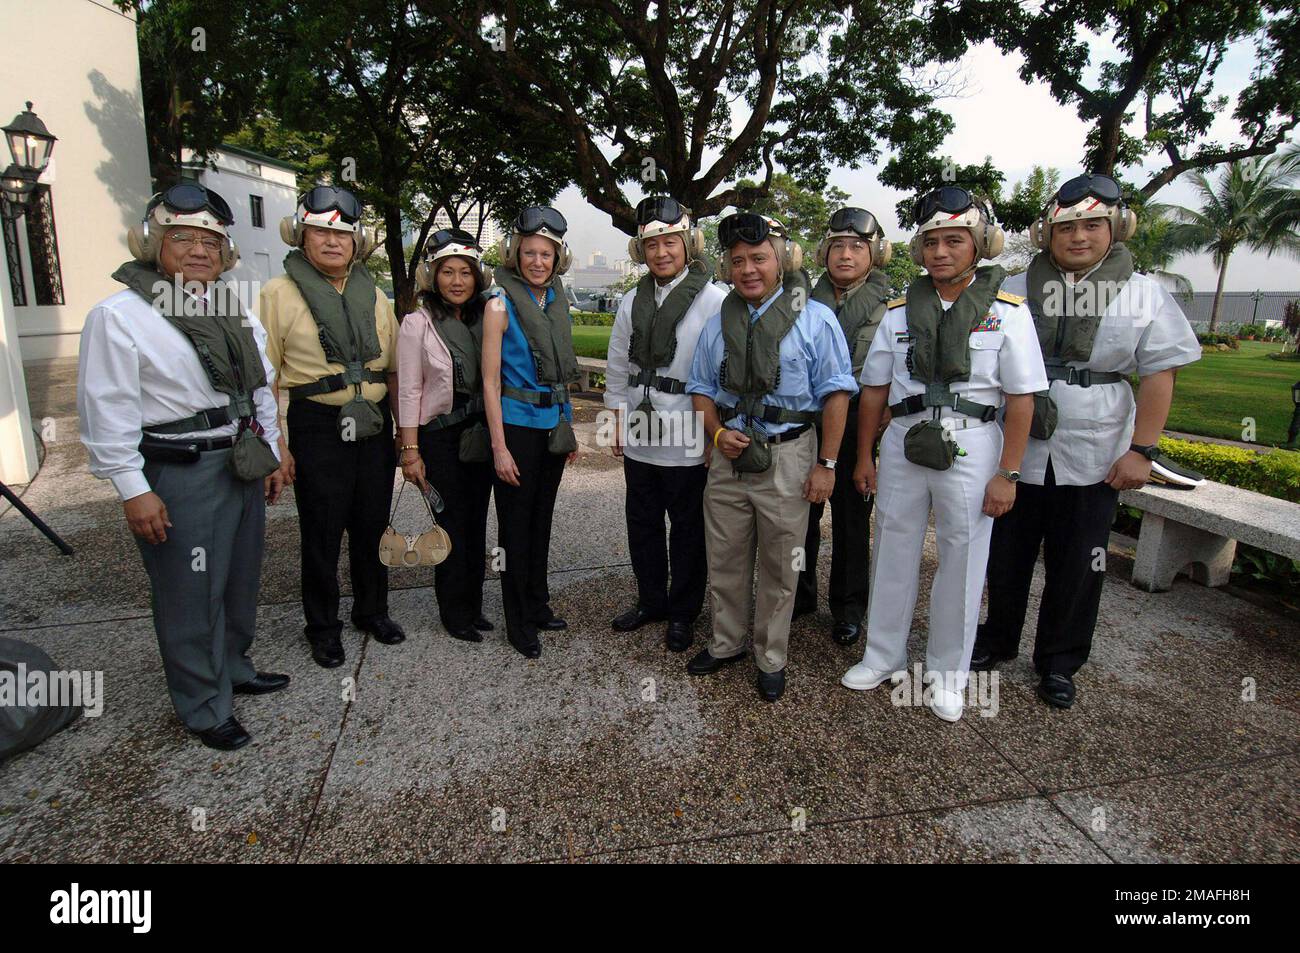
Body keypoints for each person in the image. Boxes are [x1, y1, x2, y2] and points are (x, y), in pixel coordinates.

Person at [972, 173, 1201, 708]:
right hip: (1017, 445)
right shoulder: (1012, 287)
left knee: (1080, 563)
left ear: (1116, 227)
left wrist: (1142, 450)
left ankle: (1059, 661)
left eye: (1093, 224)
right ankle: (998, 637)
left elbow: (1160, 372)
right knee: (1004, 555)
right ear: (1047, 232)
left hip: (1095, 450)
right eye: (1067, 226)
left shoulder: (1143, 291)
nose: (1079, 236)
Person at [78, 184, 287, 750]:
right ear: (153, 243)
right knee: (189, 591)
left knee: (240, 580)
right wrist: (132, 488)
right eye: (183, 238)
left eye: (210, 241)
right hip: (181, 466)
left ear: (225, 253)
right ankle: (202, 704)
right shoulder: (119, 315)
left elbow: (259, 388)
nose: (199, 250)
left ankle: (234, 668)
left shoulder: (230, 308)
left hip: (240, 458)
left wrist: (270, 449)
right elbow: (107, 409)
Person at [842, 187, 1047, 722]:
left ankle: (947, 675)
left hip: (973, 443)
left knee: (962, 559)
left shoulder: (1009, 315)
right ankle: (882, 655)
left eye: (953, 240)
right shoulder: (898, 311)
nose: (940, 252)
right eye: (931, 241)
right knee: (891, 547)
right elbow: (874, 391)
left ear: (981, 244)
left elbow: (1022, 400)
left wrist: (1008, 474)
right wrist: (864, 456)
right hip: (905, 439)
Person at [686, 213, 857, 702]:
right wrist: (717, 436)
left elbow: (838, 395)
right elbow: (700, 388)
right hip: (728, 456)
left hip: (789, 455)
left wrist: (827, 465)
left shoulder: (815, 318)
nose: (748, 269)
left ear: (781, 260)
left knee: (783, 564)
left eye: (758, 258)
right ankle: (726, 644)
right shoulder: (719, 322)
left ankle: (771, 656)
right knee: (725, 557)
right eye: (737, 261)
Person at [259, 186, 404, 669]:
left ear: (356, 242)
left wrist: (405, 434)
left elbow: (394, 369)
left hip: (375, 423)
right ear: (300, 235)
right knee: (321, 530)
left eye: (342, 233)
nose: (331, 241)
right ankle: (322, 626)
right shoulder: (277, 293)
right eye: (320, 230)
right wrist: (276, 442)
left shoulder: (376, 296)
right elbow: (265, 377)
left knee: (372, 524)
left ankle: (372, 610)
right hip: (318, 423)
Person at [604, 196, 726, 652]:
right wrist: (615, 422)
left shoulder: (715, 300)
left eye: (670, 241)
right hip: (640, 431)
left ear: (688, 243)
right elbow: (618, 368)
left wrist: (715, 434)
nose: (661, 252)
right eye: (652, 243)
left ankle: (683, 612)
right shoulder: (631, 300)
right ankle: (651, 600)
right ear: (642, 249)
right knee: (643, 523)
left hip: (689, 433)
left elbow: (722, 373)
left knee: (689, 529)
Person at [482, 206, 580, 658]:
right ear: (514, 254)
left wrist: (568, 427)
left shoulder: (557, 299)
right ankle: (518, 621)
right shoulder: (499, 302)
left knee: (541, 523)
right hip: (517, 430)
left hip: (552, 428)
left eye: (546, 254)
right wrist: (499, 448)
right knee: (515, 530)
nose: (538, 261)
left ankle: (538, 605)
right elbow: (490, 381)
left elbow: (561, 371)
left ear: (558, 257)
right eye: (529, 253)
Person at [794, 207, 894, 646]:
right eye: (838, 246)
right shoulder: (800, 303)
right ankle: (798, 596)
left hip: (860, 419)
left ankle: (849, 608)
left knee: (853, 521)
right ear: (824, 252)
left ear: (875, 253)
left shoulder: (892, 309)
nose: (847, 255)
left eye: (857, 247)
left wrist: (873, 438)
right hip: (807, 416)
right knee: (800, 516)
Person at [396, 228, 495, 643]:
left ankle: (473, 605)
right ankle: (454, 612)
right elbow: (408, 388)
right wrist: (410, 450)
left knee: (476, 523)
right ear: (432, 277)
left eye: (465, 273)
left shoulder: (483, 320)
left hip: (480, 433)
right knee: (449, 524)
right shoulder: (417, 324)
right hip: (438, 437)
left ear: (477, 277)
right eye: (447, 272)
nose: (456, 281)